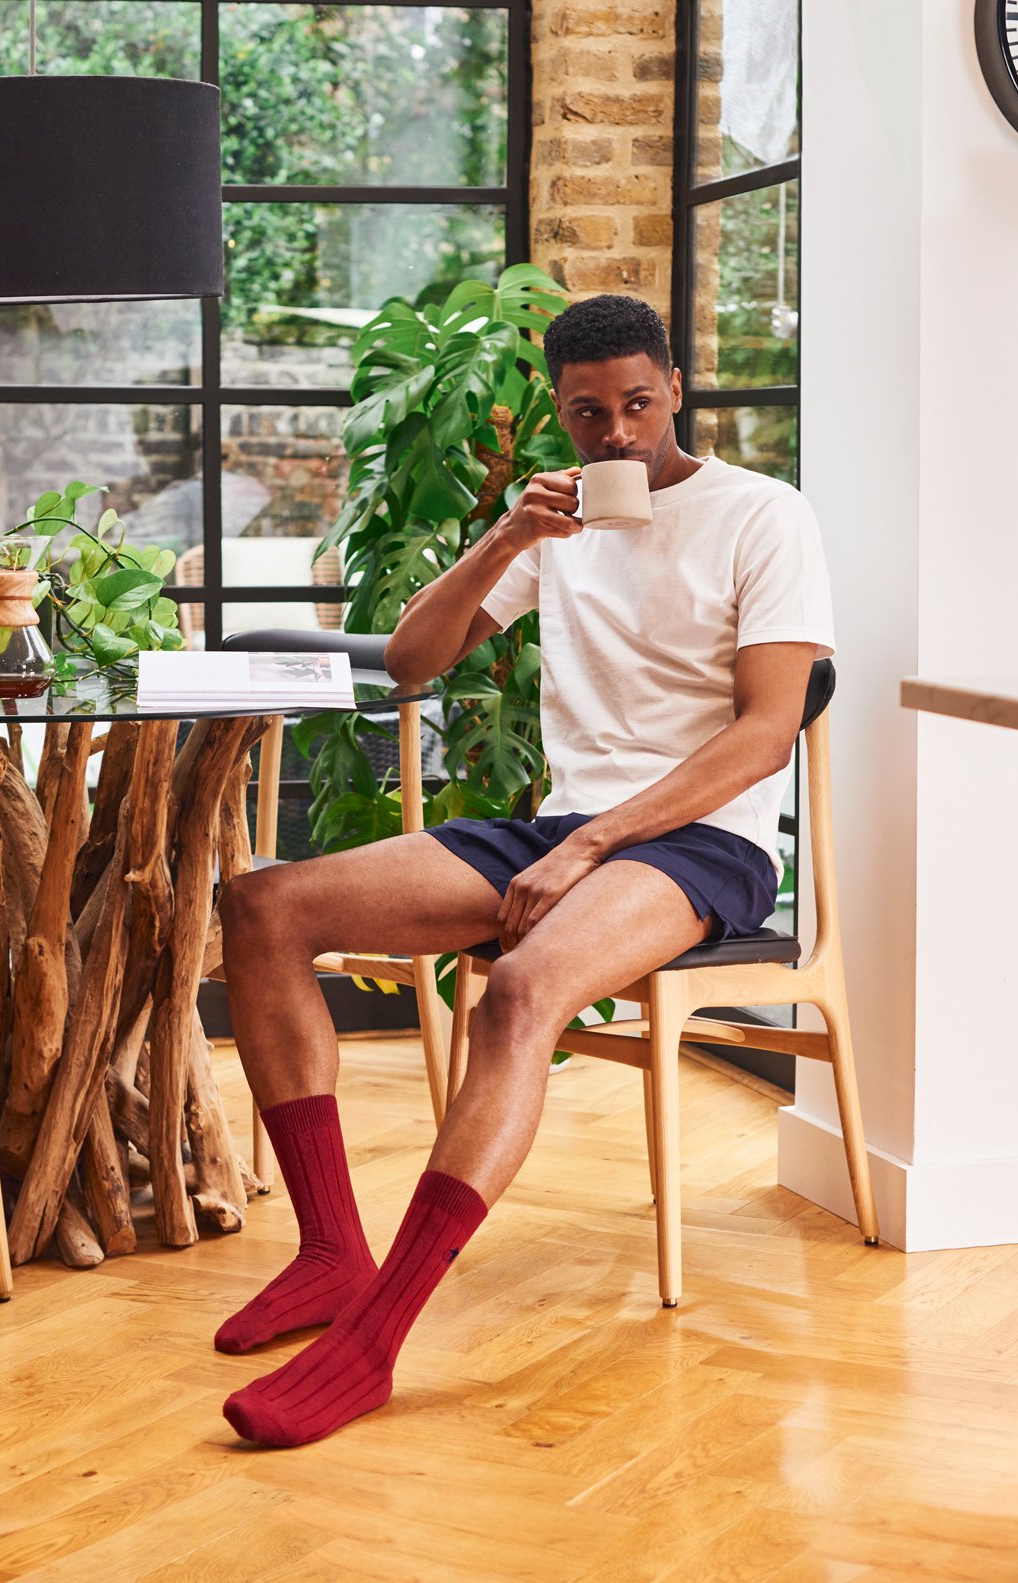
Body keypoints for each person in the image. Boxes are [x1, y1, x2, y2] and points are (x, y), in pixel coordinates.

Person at [216, 293, 835, 1448]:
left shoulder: (761, 514)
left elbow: (763, 733)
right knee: (263, 905)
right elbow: (409, 661)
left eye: (637, 404)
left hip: (705, 840)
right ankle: (327, 1253)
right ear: (557, 411)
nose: (616, 433)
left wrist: (594, 843)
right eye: (588, 412)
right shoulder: (555, 523)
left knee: (519, 989)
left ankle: (376, 1338)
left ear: (675, 392)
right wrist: (506, 539)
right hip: (565, 824)